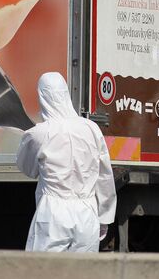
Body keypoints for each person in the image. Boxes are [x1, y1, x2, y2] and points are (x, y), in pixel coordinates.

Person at [17, 72, 116, 252]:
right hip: (87, 212)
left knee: (43, 270)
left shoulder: (38, 133)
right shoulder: (91, 128)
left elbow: (27, 169)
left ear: (42, 97)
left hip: (54, 212)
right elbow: (104, 176)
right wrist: (105, 216)